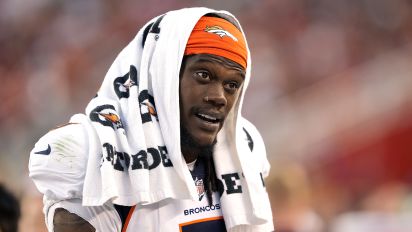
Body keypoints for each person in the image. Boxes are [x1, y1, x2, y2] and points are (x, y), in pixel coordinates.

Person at [29, 7, 274, 232]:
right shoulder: (95, 151)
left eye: (232, 84)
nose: (219, 97)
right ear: (162, 75)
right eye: (203, 75)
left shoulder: (244, 148)